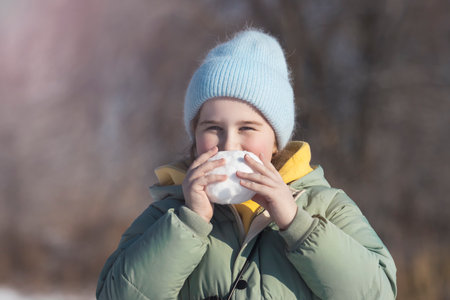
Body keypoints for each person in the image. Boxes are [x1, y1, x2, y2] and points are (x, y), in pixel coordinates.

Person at [96, 29, 397, 299]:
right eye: (213, 128)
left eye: (247, 129)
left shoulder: (326, 206)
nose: (229, 145)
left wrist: (296, 223)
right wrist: (190, 221)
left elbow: (378, 292)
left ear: (276, 140)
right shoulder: (168, 212)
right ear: (195, 134)